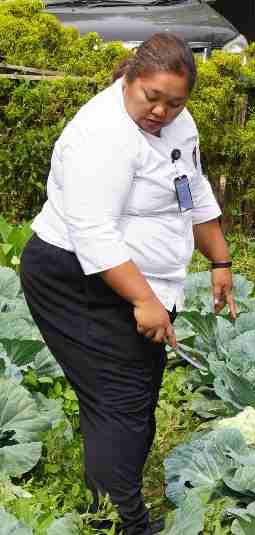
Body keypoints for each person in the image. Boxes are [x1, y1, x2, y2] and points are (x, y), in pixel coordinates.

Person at [19, 33, 236, 535]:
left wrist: (219, 260)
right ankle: (121, 524)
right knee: (120, 400)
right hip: (74, 278)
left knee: (130, 397)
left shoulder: (179, 125)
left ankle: (111, 511)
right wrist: (144, 300)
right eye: (151, 98)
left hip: (131, 280)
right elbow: (93, 231)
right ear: (129, 80)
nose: (161, 110)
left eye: (175, 102)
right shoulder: (100, 135)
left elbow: (192, 189)